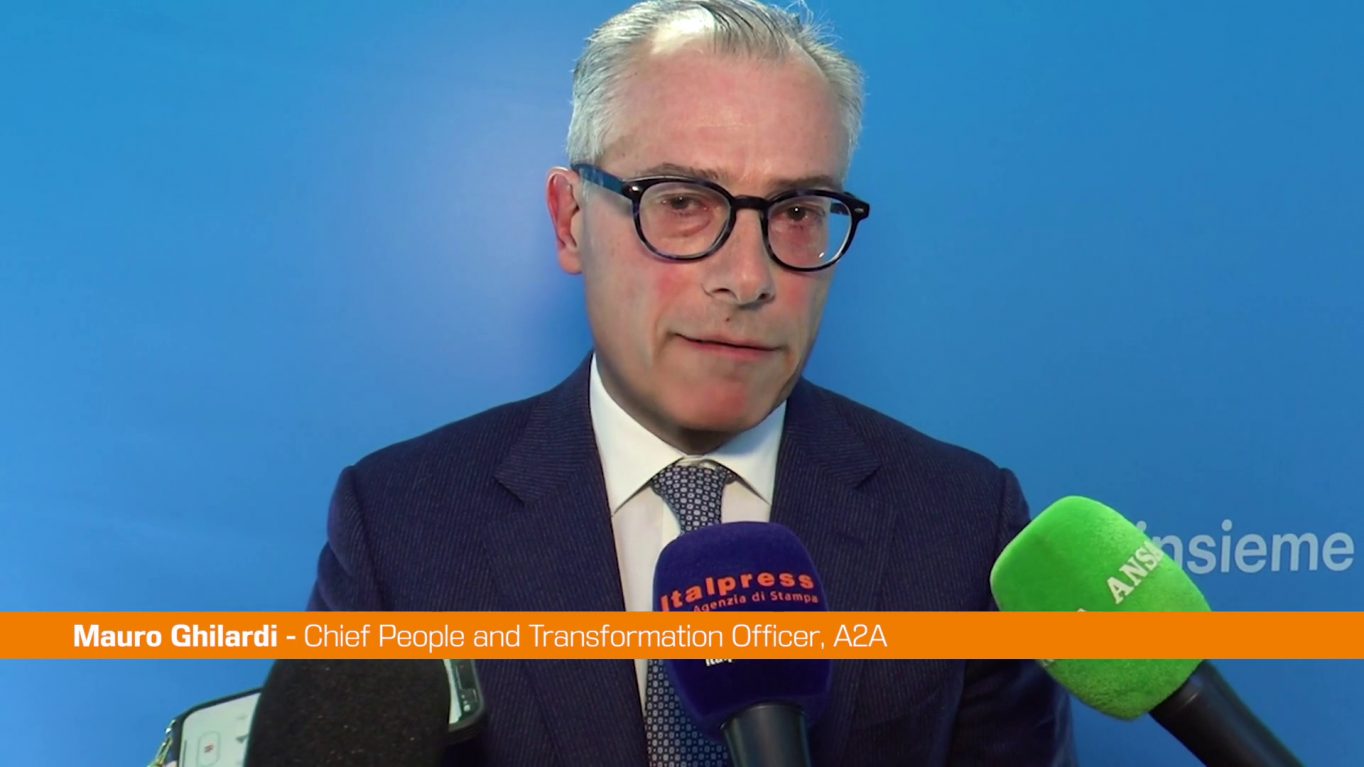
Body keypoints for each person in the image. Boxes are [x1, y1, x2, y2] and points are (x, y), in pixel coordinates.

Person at [308, 1, 1076, 764]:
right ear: (571, 220)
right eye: (682, 203)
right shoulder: (399, 528)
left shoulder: (965, 525)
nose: (747, 277)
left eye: (797, 210)